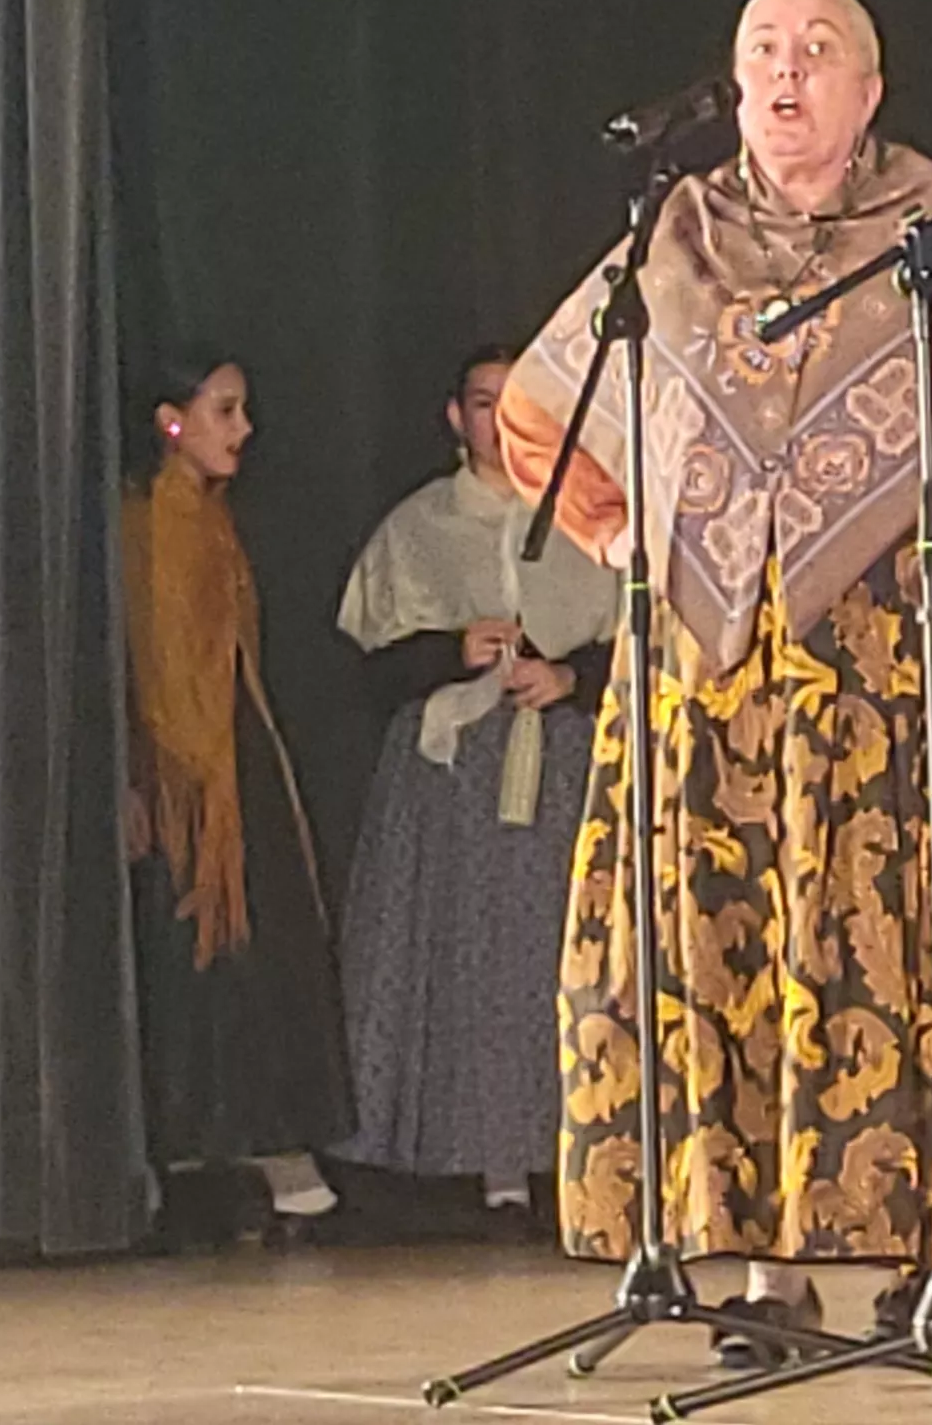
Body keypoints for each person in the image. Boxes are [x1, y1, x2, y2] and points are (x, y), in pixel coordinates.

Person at [501, 0, 932, 1351]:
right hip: (707, 677)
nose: (787, 72)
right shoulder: (671, 238)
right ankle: (755, 1276)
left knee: (893, 945)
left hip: (886, 664)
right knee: (724, 952)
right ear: (731, 86)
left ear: (869, 90)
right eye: (761, 51)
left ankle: (926, 1250)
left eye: (820, 52)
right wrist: (623, 531)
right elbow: (537, 407)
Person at [332, 346, 619, 1228]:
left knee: (562, 958)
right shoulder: (418, 526)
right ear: (457, 417)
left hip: (563, 764)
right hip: (454, 782)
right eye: (485, 402)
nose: (501, 419)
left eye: (517, 401)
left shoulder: (588, 518)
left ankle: (584, 1150)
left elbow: (647, 634)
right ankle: (486, 1156)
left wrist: (573, 678)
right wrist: (447, 651)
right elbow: (360, 661)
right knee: (466, 960)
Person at [123, 353, 352, 1244]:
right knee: (196, 960)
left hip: (236, 761)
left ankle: (267, 1146)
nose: (243, 428)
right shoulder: (145, 526)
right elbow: (149, 669)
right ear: (171, 420)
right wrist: (152, 779)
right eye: (224, 409)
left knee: (259, 954)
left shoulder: (214, 524)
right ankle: (196, 1159)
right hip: (184, 782)